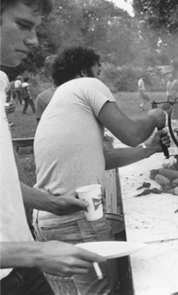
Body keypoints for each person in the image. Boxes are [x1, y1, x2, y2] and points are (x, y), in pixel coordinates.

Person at [33, 45, 170, 295]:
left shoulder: (62, 99)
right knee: (105, 291)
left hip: (48, 215)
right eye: (98, 70)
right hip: (77, 216)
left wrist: (147, 150)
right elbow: (131, 134)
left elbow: (101, 159)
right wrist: (154, 117)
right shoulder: (88, 85)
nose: (101, 76)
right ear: (84, 70)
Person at [1, 0, 106, 294]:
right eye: (23, 25)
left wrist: (53, 203)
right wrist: (37, 253)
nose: (33, 40)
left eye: (36, 28)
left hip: (21, 267)